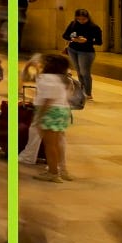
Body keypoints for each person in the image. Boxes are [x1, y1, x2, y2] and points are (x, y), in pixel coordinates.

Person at [30, 51, 77, 182]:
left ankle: (53, 173)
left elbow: (47, 99)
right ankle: (62, 170)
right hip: (63, 111)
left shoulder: (46, 78)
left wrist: (39, 117)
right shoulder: (65, 79)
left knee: (50, 145)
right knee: (58, 144)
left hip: (50, 112)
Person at [61, 9, 102, 100]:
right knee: (79, 72)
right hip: (73, 49)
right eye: (79, 19)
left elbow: (99, 42)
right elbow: (65, 35)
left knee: (85, 72)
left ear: (88, 18)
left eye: (83, 19)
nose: (81, 21)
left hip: (86, 52)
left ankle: (88, 93)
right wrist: (73, 39)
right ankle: (81, 91)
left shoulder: (94, 27)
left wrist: (87, 41)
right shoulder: (73, 24)